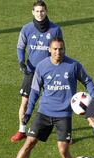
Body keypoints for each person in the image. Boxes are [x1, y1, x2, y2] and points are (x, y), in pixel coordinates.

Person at [10, 37, 94, 158]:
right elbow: (35, 91)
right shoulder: (42, 66)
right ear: (49, 50)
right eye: (55, 49)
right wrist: (29, 111)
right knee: (29, 142)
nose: (58, 52)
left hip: (63, 115)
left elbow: (87, 81)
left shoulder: (73, 65)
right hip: (44, 112)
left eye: (61, 49)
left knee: (63, 150)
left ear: (64, 49)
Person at [10, 0, 63, 142]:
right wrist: (21, 62)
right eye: (37, 11)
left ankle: (63, 133)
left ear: (46, 11)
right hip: (31, 71)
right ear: (33, 12)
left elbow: (60, 48)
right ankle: (21, 130)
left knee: (53, 102)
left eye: (42, 11)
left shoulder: (55, 29)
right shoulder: (26, 29)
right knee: (25, 102)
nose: (40, 14)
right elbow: (20, 47)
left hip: (49, 72)